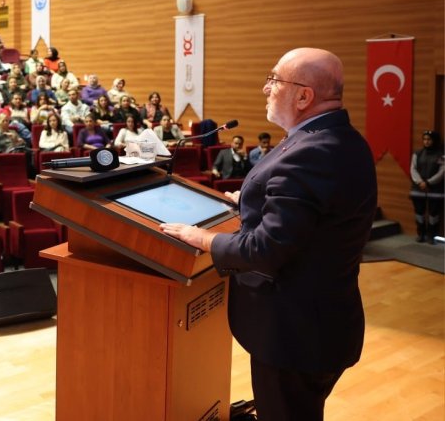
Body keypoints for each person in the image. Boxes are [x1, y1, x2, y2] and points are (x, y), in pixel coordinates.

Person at [160, 48, 377, 421]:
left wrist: (203, 239)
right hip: (321, 322)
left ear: (304, 95)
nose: (266, 87)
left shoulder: (311, 152)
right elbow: (311, 216)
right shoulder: (342, 139)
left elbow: (267, 248)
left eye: (274, 79)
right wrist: (249, 201)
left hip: (294, 333)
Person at [409, 130, 444, 243]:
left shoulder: (441, 155)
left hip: (435, 190)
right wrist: (420, 182)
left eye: (429, 139)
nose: (426, 141)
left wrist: (428, 182)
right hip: (418, 189)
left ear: (434, 140)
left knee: (433, 214)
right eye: (424, 139)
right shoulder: (417, 153)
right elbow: (413, 169)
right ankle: (421, 233)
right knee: (419, 213)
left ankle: (431, 235)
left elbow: (442, 172)